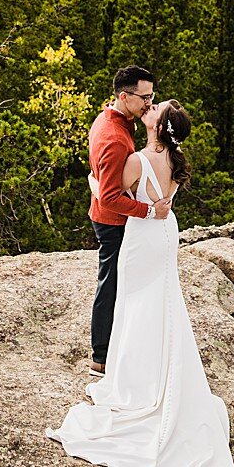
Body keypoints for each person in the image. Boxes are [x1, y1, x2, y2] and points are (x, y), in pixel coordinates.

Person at [49, 99, 234, 467]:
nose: (152, 107)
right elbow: (158, 201)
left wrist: (91, 179)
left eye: (157, 109)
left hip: (142, 235)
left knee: (136, 304)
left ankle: (135, 380)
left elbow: (107, 194)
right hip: (164, 234)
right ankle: (156, 370)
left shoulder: (139, 160)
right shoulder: (174, 161)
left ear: (159, 127)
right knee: (162, 303)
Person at [82, 65, 154, 378]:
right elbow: (110, 197)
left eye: (153, 96)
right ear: (124, 96)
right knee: (110, 285)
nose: (149, 103)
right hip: (113, 222)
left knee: (119, 283)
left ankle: (119, 348)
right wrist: (150, 212)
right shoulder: (113, 137)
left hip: (113, 217)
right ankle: (100, 358)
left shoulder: (118, 118)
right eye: (144, 97)